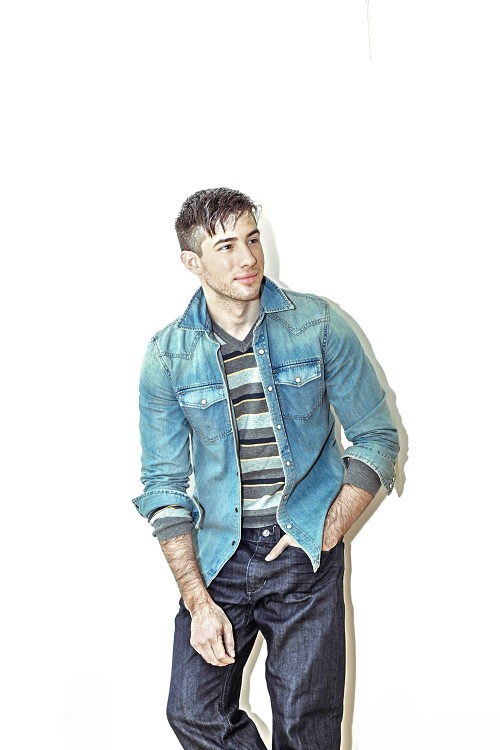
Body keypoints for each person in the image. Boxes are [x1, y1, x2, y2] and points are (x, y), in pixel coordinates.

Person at [133, 187, 399, 750]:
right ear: (192, 262)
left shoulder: (319, 326)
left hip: (302, 553)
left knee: (308, 729)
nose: (248, 258)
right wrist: (198, 601)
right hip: (218, 557)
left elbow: (376, 437)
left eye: (252, 239)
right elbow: (163, 486)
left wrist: (326, 529)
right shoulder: (167, 357)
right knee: (193, 712)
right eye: (226, 246)